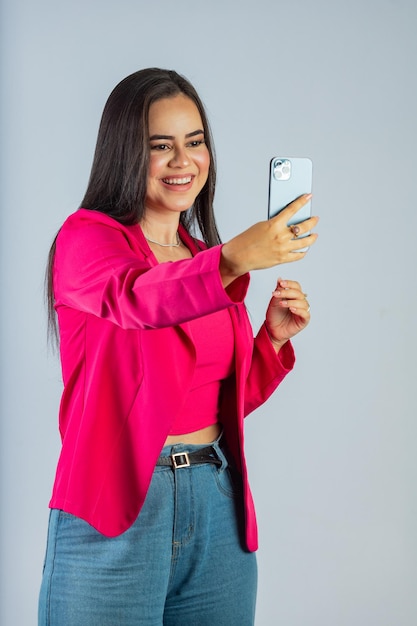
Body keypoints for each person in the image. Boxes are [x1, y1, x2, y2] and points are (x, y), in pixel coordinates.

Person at [38, 68, 318, 626]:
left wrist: (271, 341)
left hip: (215, 502)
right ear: (124, 153)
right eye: (159, 146)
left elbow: (213, 398)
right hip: (118, 508)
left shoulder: (199, 254)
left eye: (194, 142)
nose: (182, 161)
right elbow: (137, 300)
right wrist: (234, 259)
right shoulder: (87, 240)